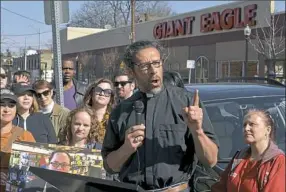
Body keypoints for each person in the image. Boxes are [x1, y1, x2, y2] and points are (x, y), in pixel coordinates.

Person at [101, 40, 219, 191]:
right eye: (144, 66)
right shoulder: (121, 111)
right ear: (131, 72)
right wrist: (126, 149)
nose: (153, 70)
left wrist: (197, 131)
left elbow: (211, 160)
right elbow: (109, 166)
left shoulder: (186, 102)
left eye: (157, 63)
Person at [211, 109, 285, 192]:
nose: (246, 128)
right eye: (244, 125)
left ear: (268, 130)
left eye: (252, 124)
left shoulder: (278, 161)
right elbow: (220, 188)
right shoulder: (239, 157)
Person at [0, 88, 35, 191]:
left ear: (16, 110)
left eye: (11, 106)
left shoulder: (25, 137)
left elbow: (35, 171)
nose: (7, 110)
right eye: (2, 105)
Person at [83, 78, 115, 144]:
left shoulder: (115, 119)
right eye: (98, 90)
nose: (102, 93)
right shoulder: (81, 115)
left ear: (111, 97)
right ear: (91, 93)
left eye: (107, 92)